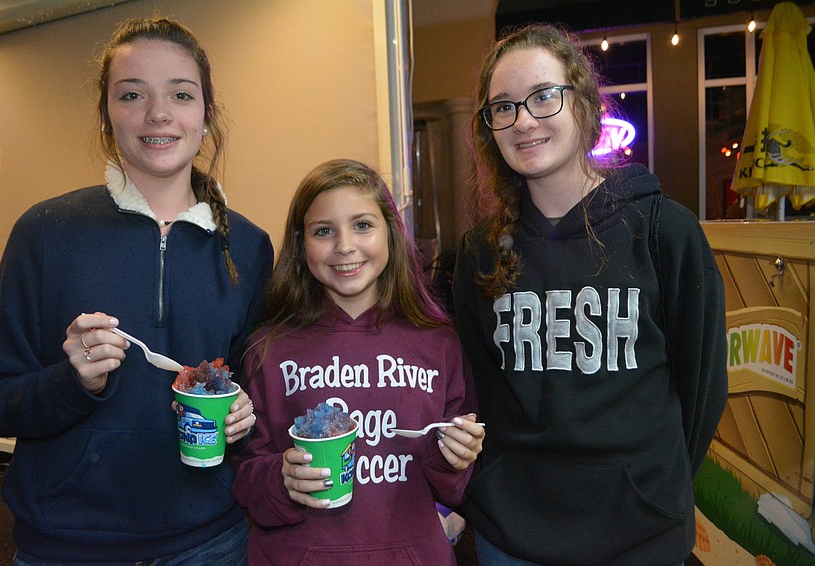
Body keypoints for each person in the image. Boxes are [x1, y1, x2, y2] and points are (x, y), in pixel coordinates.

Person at [0, 17, 273, 565]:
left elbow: (255, 394)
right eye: (132, 94)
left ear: (205, 114)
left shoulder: (250, 248)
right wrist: (75, 383)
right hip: (65, 547)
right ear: (107, 114)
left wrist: (243, 416)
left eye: (180, 95)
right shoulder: (44, 232)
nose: (157, 114)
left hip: (210, 543)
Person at [452, 23, 729, 565]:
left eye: (543, 97)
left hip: (640, 537)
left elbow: (702, 387)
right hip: (511, 537)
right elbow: (478, 390)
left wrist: (652, 488)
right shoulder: (479, 252)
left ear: (581, 102)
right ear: (490, 128)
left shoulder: (663, 230)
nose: (523, 120)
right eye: (502, 107)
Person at [232, 159, 485, 565]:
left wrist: (454, 458)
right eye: (323, 231)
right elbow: (245, 478)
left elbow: (456, 489)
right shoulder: (268, 348)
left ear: (391, 232)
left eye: (363, 225)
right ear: (302, 244)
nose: (345, 246)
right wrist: (282, 480)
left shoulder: (439, 344)